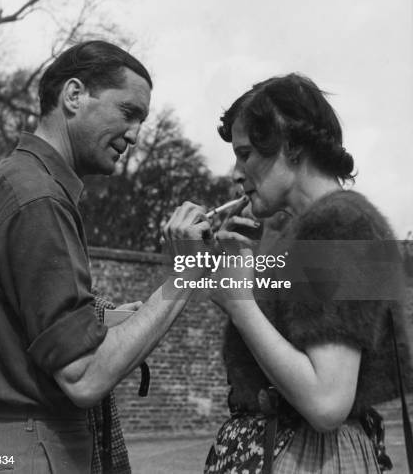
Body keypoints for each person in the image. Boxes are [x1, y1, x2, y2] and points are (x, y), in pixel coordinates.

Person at [0, 40, 209, 473]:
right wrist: (184, 278)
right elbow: (84, 376)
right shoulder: (38, 199)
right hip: (32, 448)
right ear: (73, 95)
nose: (135, 135)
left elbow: (15, 326)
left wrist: (105, 322)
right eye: (128, 113)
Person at [164, 73, 407, 473]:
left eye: (245, 154)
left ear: (292, 145)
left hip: (310, 457)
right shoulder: (303, 229)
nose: (236, 173)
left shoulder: (339, 225)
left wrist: (239, 303)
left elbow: (327, 403)